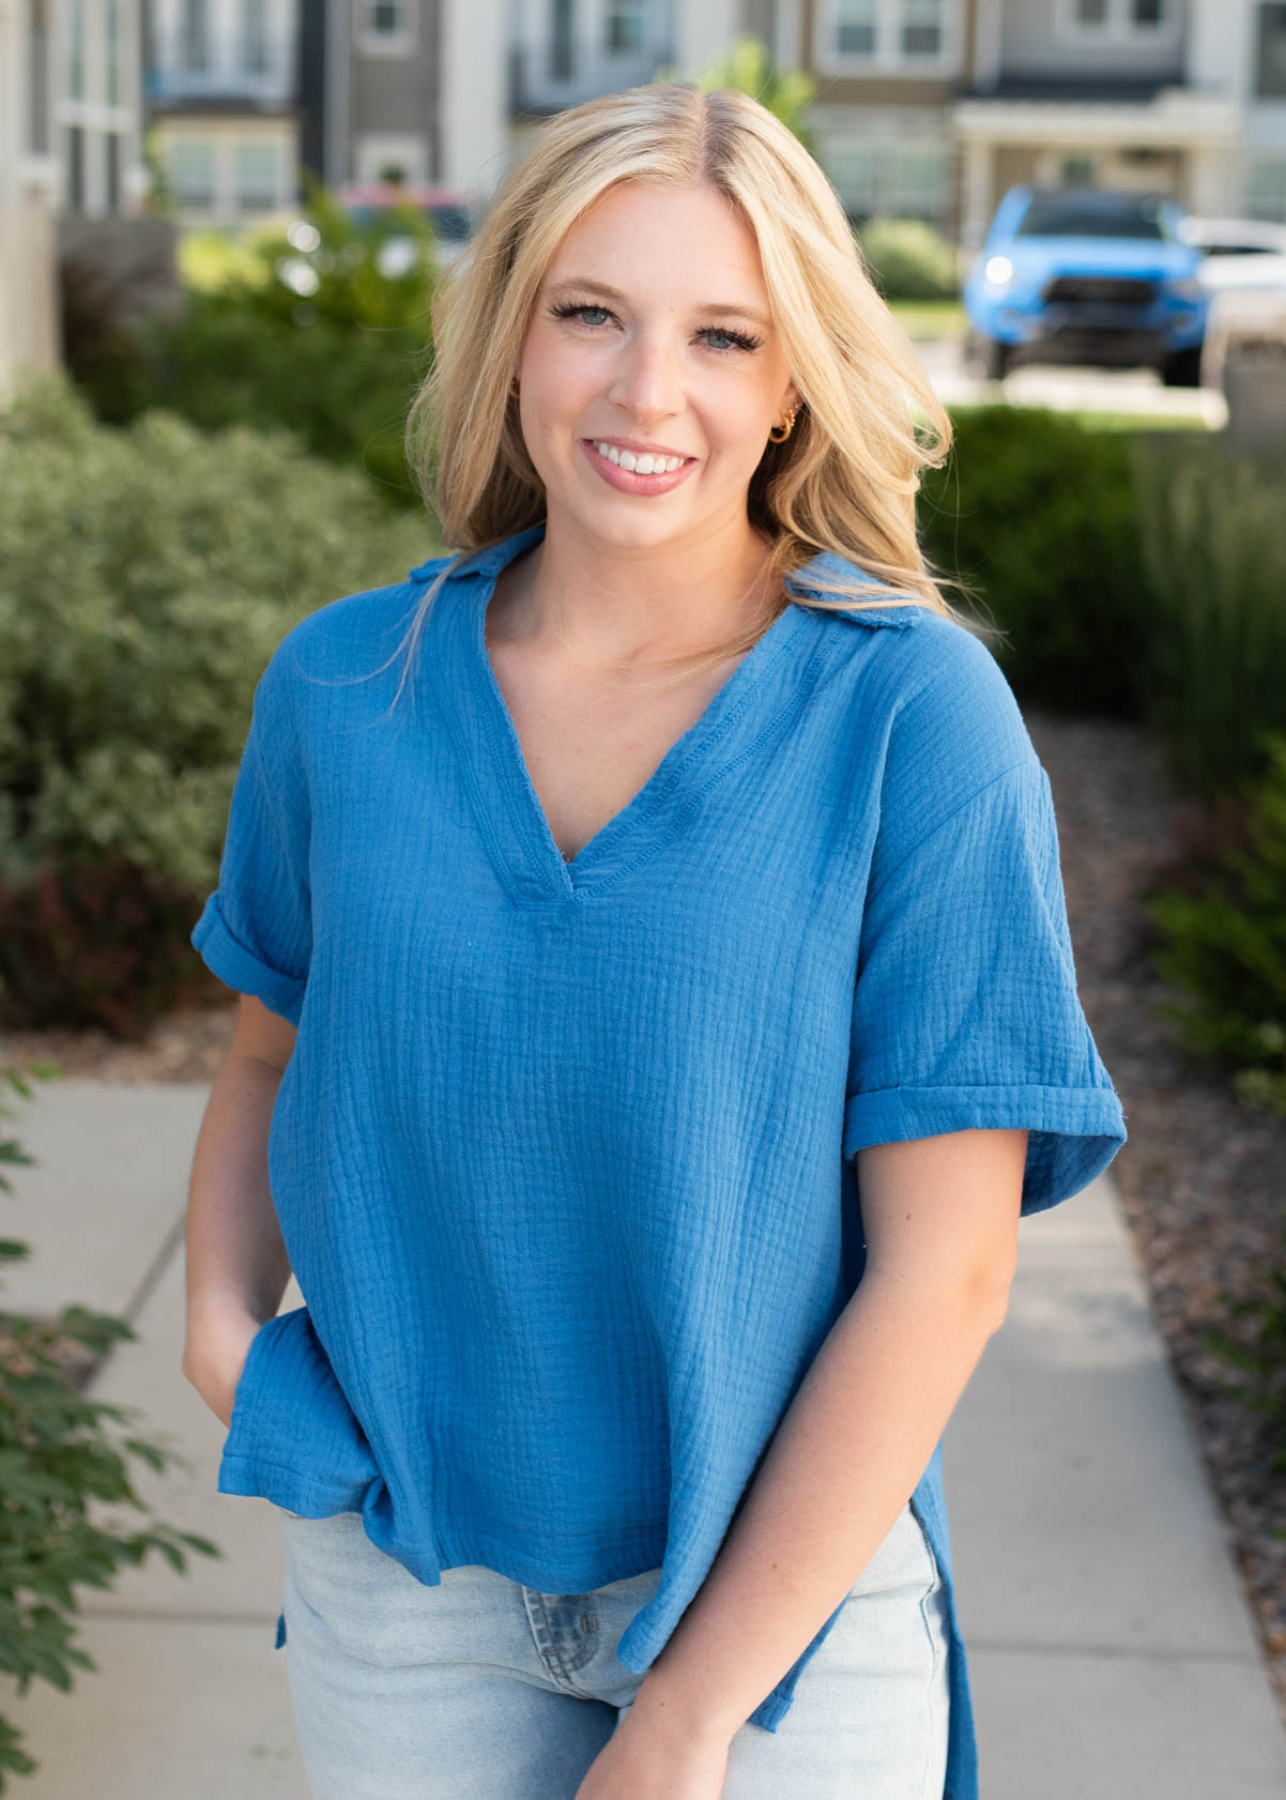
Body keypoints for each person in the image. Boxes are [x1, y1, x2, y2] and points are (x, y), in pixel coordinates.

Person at [183, 81, 1127, 1800]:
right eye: (591, 315)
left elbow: (951, 1266)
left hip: (784, 1626)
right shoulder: (346, 685)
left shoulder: (911, 716)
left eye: (721, 335)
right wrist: (223, 1325)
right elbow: (270, 1039)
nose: (645, 392)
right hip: (408, 1588)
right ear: (511, 336)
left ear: (788, 386)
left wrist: (689, 1714)